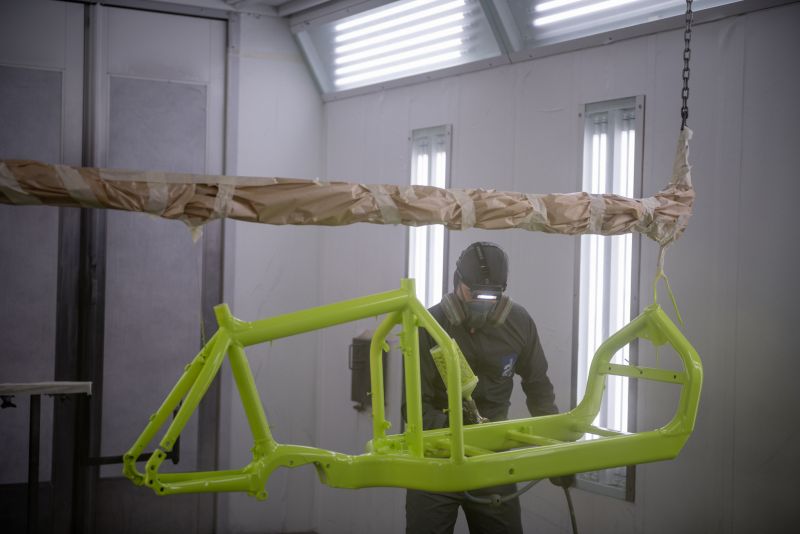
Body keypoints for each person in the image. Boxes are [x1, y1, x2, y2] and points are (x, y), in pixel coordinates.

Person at [405, 241, 563, 534]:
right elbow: (413, 407)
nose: (482, 303)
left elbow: (539, 388)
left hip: (493, 456)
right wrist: (457, 428)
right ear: (457, 283)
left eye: (492, 296)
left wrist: (558, 449)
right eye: (474, 294)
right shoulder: (429, 326)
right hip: (435, 458)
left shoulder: (519, 324)